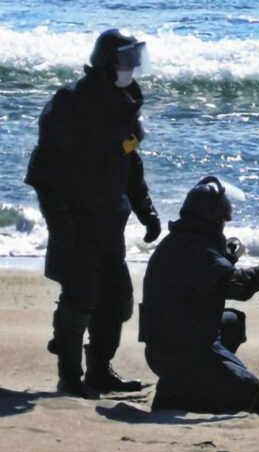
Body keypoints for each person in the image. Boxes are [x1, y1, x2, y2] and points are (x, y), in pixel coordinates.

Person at [25, 29, 161, 398]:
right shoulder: (71, 101)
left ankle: (99, 372)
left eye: (136, 58)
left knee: (116, 298)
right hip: (75, 213)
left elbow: (130, 163)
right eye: (127, 58)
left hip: (108, 217)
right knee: (81, 293)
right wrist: (61, 219)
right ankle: (70, 377)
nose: (133, 66)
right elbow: (43, 171)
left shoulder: (127, 101)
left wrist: (146, 210)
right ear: (107, 61)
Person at [140, 177, 259, 419]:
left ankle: (184, 385)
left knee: (232, 321)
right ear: (214, 220)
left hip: (163, 345)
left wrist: (228, 260)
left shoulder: (177, 242)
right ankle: (181, 390)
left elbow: (205, 283)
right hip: (183, 354)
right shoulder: (198, 250)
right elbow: (238, 286)